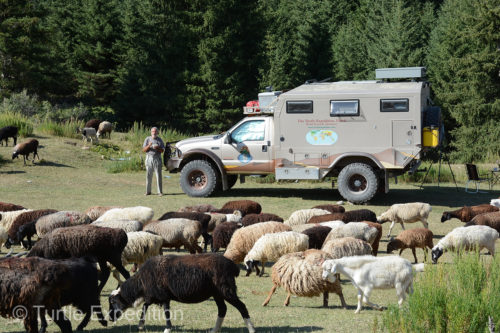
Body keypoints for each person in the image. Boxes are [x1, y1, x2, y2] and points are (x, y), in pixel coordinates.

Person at [142, 127, 165, 196]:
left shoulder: (159, 140)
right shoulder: (147, 139)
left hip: (157, 158)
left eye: (155, 131)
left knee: (158, 176)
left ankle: (159, 192)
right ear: (150, 132)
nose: (154, 133)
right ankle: (148, 191)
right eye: (152, 131)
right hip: (149, 158)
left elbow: (162, 150)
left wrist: (157, 147)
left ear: (157, 132)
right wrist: (149, 145)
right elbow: (143, 150)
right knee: (148, 176)